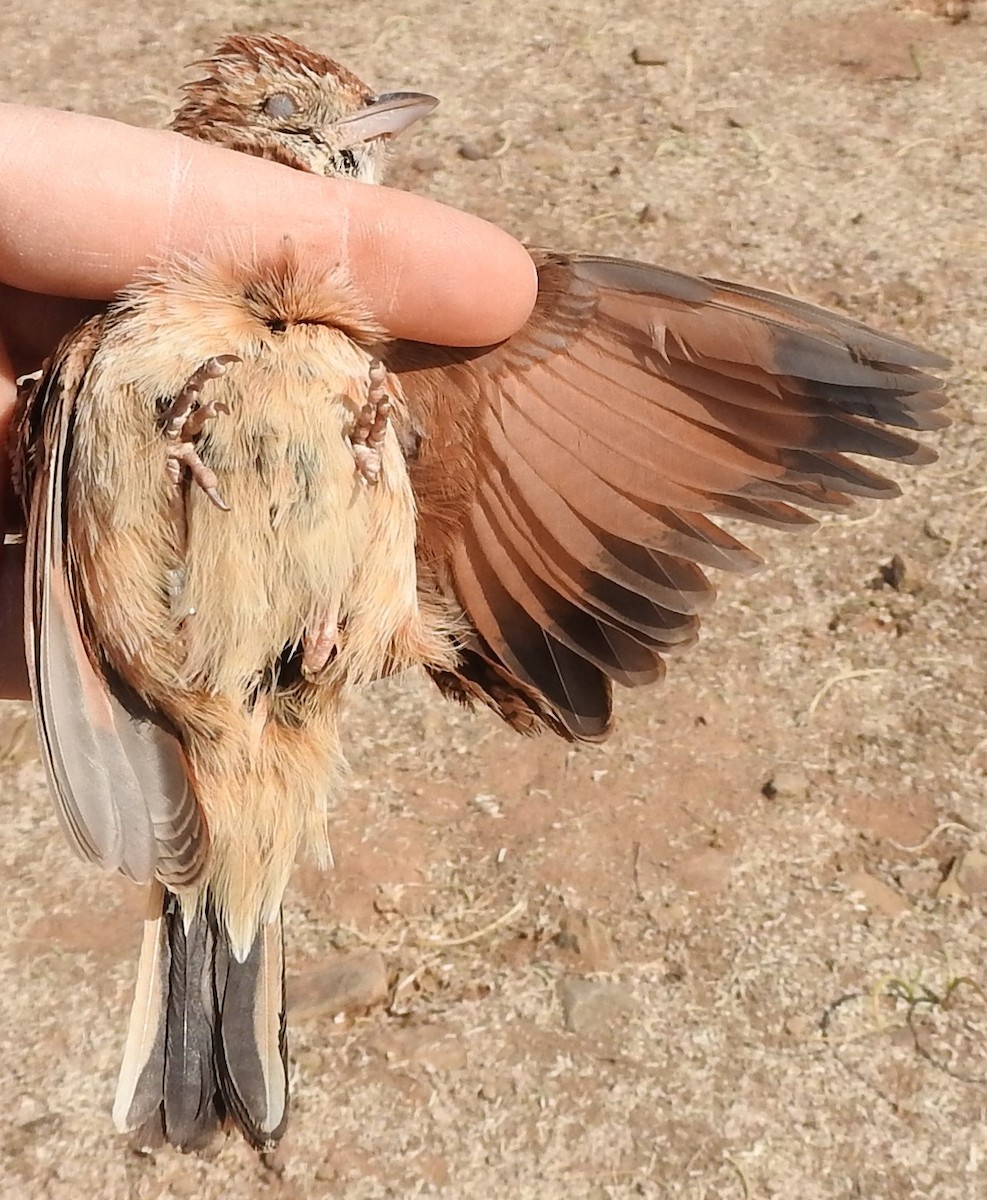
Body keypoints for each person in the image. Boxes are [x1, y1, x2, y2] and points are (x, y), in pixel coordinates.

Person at [0, 104, 538, 699]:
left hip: (301, 654)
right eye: (286, 111)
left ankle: (321, 618)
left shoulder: (368, 330)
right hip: (171, 662)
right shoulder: (114, 329)